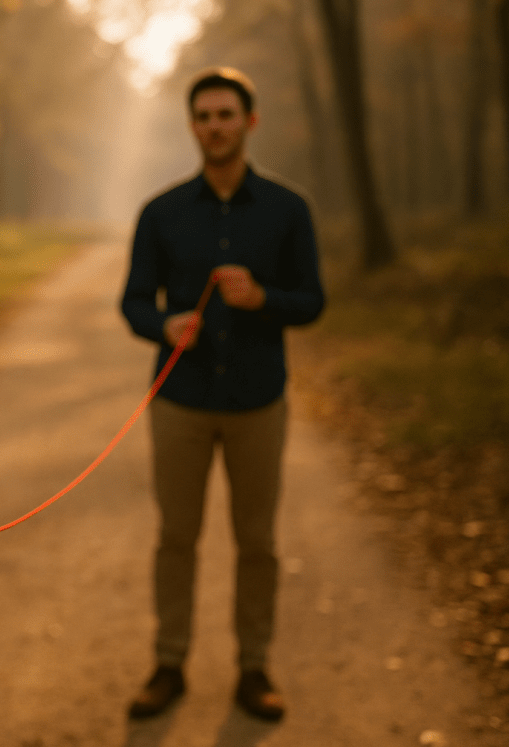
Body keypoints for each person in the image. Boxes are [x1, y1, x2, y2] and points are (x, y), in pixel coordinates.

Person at [120, 67, 325, 721]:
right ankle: (169, 663)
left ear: (249, 122)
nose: (215, 126)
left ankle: (254, 668)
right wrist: (165, 324)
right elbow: (132, 302)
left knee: (257, 541)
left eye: (226, 114)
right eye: (204, 116)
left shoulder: (289, 210)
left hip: (259, 401)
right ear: (193, 126)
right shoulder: (161, 213)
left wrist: (263, 298)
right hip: (178, 400)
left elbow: (313, 301)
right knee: (176, 536)